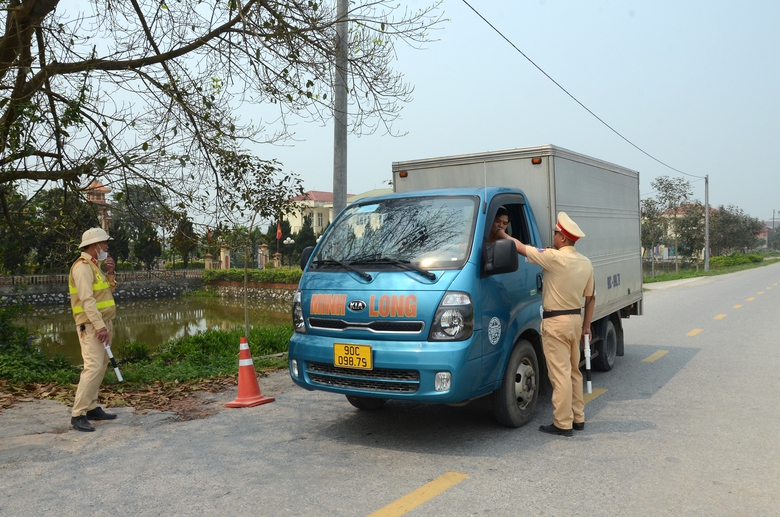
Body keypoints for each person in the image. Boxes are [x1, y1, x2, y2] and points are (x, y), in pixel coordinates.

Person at [495, 212, 595, 437]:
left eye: (555, 233)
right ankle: (578, 417)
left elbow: (520, 247)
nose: (554, 236)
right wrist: (587, 326)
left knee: (559, 374)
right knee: (573, 372)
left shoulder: (553, 257)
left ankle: (562, 423)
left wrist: (501, 233)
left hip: (556, 322)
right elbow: (591, 298)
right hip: (575, 321)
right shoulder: (585, 263)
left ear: (563, 238)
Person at [68, 227, 119, 432]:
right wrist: (99, 327)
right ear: (95, 245)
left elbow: (105, 293)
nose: (107, 247)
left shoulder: (94, 266)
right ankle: (78, 414)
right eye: (105, 244)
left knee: (101, 365)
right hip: (91, 326)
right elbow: (87, 301)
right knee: (92, 367)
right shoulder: (81, 267)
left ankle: (91, 407)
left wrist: (110, 274)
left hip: (103, 323)